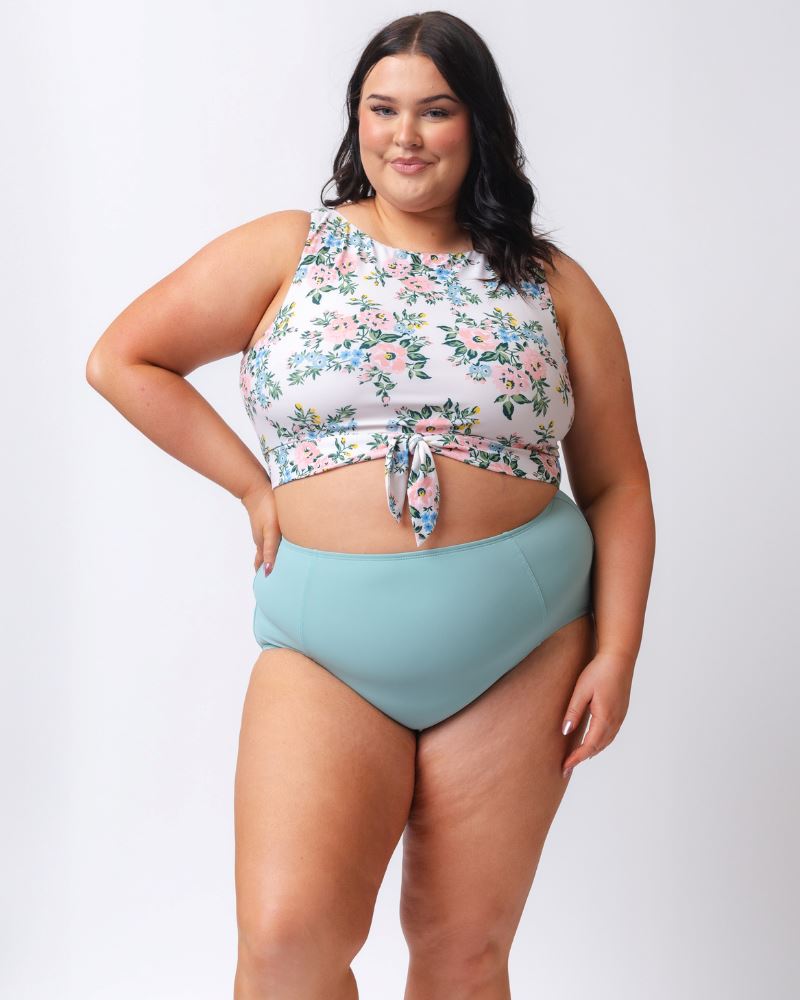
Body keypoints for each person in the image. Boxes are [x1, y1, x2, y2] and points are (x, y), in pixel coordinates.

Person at [86, 10, 655, 1000]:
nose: (405, 135)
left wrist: (617, 654)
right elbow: (123, 359)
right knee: (283, 942)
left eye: (435, 110)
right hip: (324, 647)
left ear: (478, 124)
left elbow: (616, 483)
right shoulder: (291, 247)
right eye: (382, 109)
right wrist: (251, 484)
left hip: (521, 651)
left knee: (463, 951)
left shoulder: (550, 284)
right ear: (356, 121)